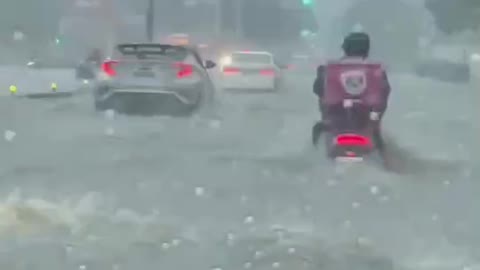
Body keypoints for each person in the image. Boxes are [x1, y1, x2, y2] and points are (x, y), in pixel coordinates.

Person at [312, 32, 391, 161]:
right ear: (366, 48)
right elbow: (384, 94)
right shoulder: (376, 70)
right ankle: (389, 164)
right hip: (368, 122)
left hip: (334, 122)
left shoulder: (329, 69)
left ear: (346, 48)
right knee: (379, 142)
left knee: (319, 131)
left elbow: (318, 89)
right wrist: (375, 118)